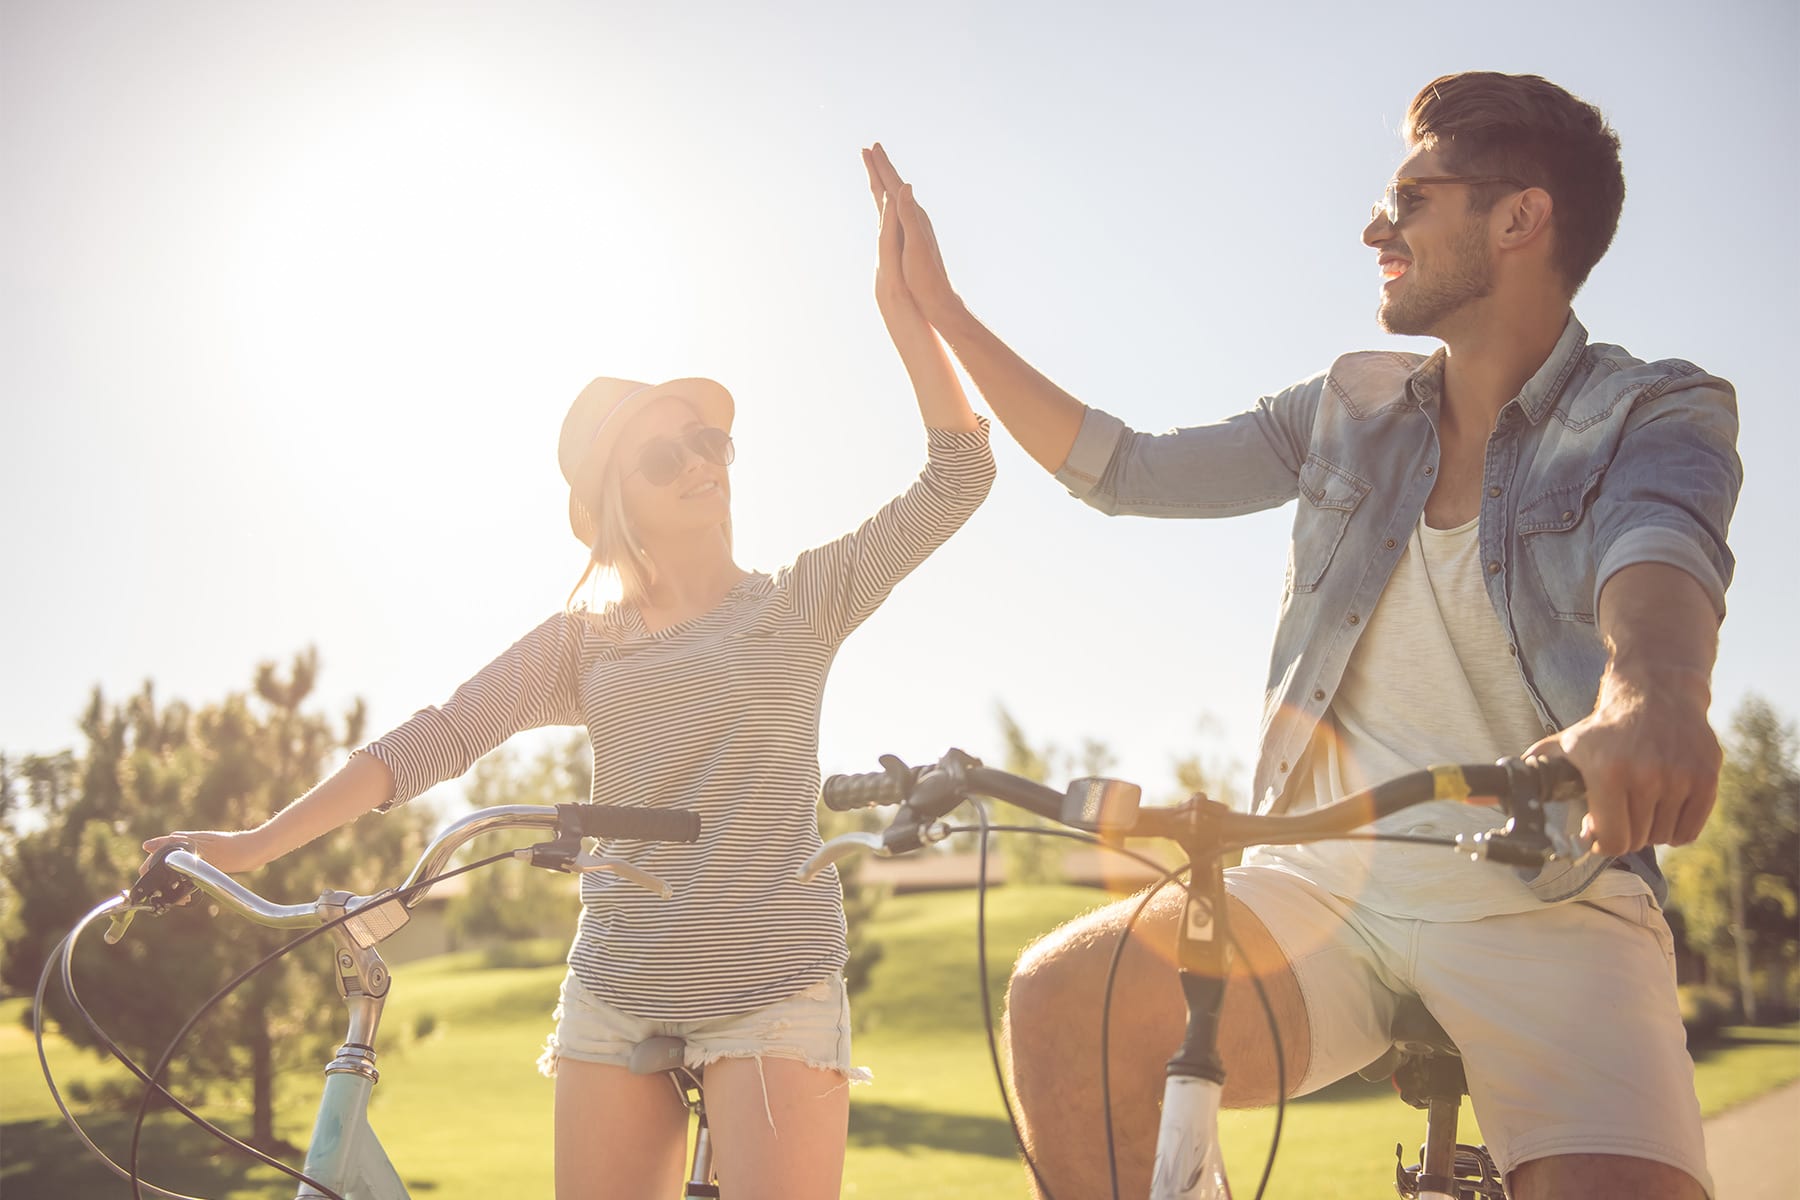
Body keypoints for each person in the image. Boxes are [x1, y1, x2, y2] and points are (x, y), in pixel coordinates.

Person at [864, 69, 1739, 1200]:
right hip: (1320, 888)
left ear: (1520, 218)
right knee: (1064, 998)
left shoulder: (1655, 409)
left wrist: (1649, 696)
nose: (1377, 226)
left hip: (1553, 907)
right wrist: (940, 308)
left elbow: (1661, 554)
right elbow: (1123, 469)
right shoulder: (1346, 408)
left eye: (1413, 198)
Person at [140, 160, 995, 1200]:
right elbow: (434, 740)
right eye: (662, 455)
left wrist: (908, 309)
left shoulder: (799, 603)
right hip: (617, 990)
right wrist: (251, 845)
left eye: (708, 440)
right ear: (612, 505)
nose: (698, 461)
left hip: (772, 989)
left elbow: (960, 474)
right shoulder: (583, 644)